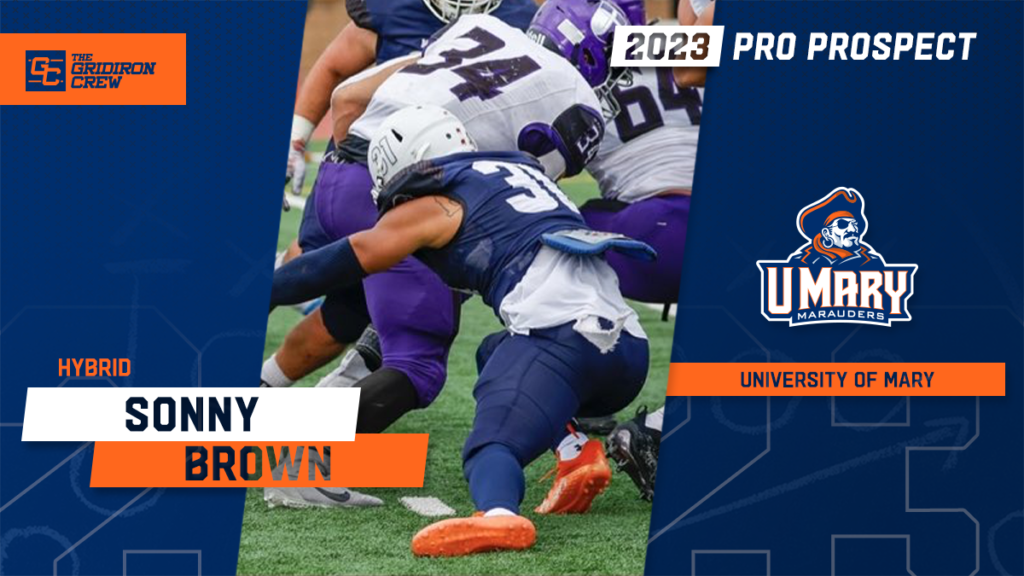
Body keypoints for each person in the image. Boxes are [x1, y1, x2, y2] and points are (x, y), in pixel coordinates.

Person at [263, 0, 630, 509]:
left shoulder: (480, 28)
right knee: (418, 362)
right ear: (589, 52)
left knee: (348, 310)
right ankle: (299, 467)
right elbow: (511, 205)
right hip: (409, 192)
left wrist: (351, 178)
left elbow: (347, 97)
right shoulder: (575, 99)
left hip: (340, 172)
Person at [272, 105, 651, 556]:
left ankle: (499, 515)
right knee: (493, 351)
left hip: (562, 346)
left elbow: (352, 257)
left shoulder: (439, 202)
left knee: (491, 446)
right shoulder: (525, 174)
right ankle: (575, 452)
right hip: (629, 352)